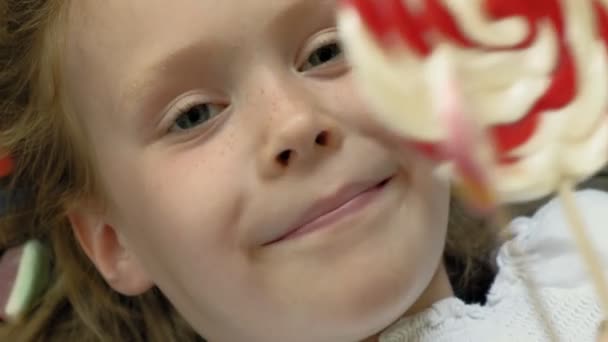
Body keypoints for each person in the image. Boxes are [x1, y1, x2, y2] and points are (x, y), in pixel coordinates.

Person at [0, 0, 603, 341]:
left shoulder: (592, 272)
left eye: (326, 51)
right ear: (113, 240)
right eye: (192, 117)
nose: (295, 124)